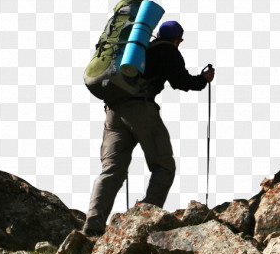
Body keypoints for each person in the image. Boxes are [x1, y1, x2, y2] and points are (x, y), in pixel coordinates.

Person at [83, 21, 215, 237]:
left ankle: (92, 225)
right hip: (141, 109)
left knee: (112, 170)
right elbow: (181, 81)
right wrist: (203, 79)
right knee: (164, 166)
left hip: (114, 111)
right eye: (180, 40)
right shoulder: (167, 51)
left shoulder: (140, 49)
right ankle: (143, 222)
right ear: (176, 39)